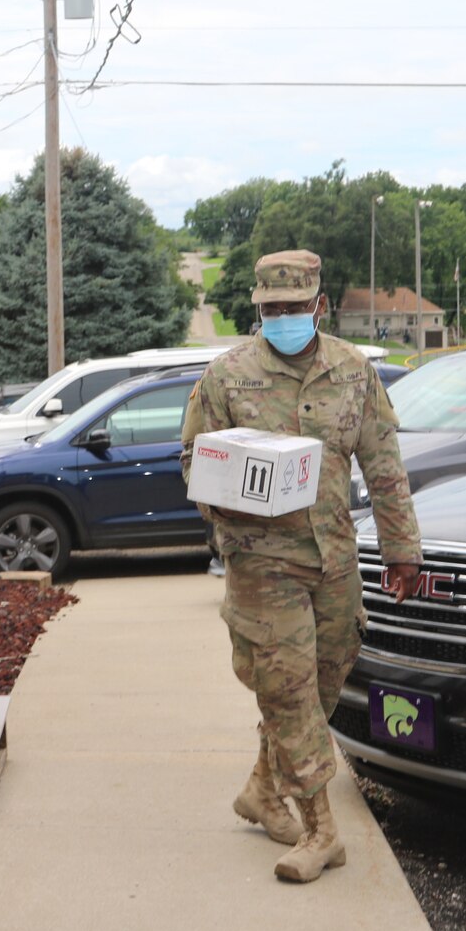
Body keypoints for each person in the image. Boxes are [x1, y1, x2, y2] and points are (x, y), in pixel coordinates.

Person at [181, 249, 420, 883]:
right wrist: (230, 488)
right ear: (257, 309)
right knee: (287, 694)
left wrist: (402, 552)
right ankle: (321, 831)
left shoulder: (353, 372)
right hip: (262, 565)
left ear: (319, 305)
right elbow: (192, 467)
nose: (283, 318)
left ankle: (263, 789)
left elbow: (386, 469)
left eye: (295, 308)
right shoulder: (225, 378)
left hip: (335, 561)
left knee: (317, 689)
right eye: (271, 310)